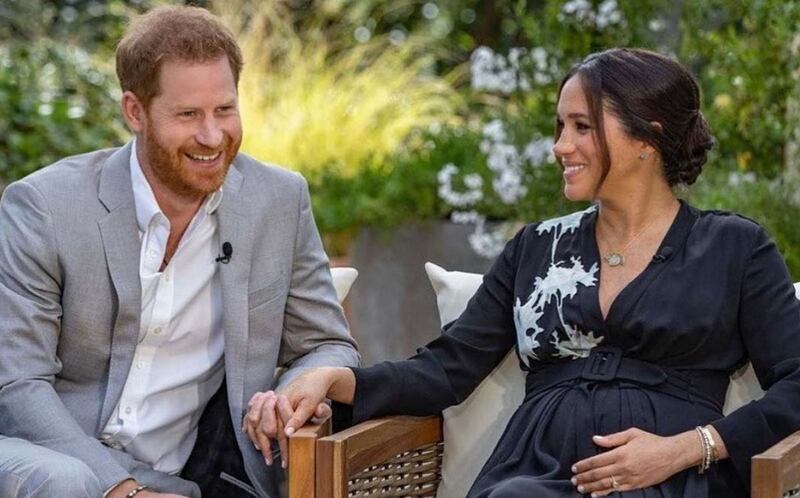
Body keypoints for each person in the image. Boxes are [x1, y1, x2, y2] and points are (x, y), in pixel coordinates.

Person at [271, 48, 800, 497]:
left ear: (647, 138)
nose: (560, 146)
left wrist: (690, 448)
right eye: (560, 126)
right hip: (535, 476)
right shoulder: (536, 248)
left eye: (582, 127)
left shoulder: (734, 248)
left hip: (673, 480)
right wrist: (336, 380)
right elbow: (446, 369)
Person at [0, 5, 358, 498]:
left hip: (184, 481)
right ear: (135, 112)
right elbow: (17, 384)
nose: (212, 136)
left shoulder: (278, 201)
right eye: (188, 115)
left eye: (224, 110)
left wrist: (298, 386)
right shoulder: (45, 207)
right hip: (47, 459)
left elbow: (327, 343)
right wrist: (121, 489)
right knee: (68, 481)